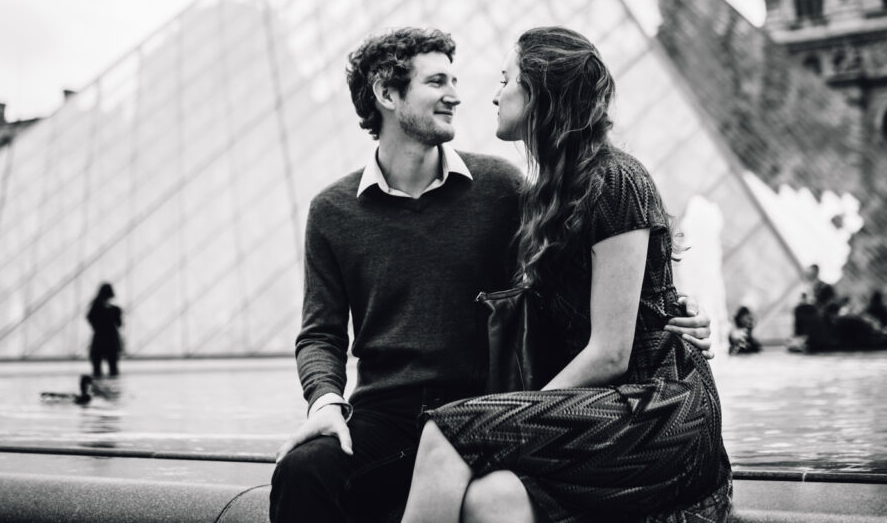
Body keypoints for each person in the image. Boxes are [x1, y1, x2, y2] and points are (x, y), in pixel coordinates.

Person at [269, 28, 714, 523]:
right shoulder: (332, 212)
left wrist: (668, 311)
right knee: (301, 471)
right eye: (437, 81)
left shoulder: (505, 189)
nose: (458, 95)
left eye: (465, 79)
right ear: (387, 94)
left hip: (484, 399)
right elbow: (319, 334)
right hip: (387, 414)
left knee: (472, 467)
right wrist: (325, 402)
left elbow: (590, 283)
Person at [400, 27, 731, 523]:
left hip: (661, 412)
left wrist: (516, 417)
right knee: (492, 500)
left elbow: (612, 353)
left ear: (540, 92)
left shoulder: (615, 180)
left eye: (507, 79)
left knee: (445, 431)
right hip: (602, 407)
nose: (494, 93)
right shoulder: (546, 196)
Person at [86, 283, 122, 378]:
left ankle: (98, 389)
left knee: (97, 369)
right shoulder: (115, 310)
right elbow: (119, 324)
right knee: (113, 368)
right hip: (111, 340)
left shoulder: (95, 307)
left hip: (99, 340)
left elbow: (90, 319)